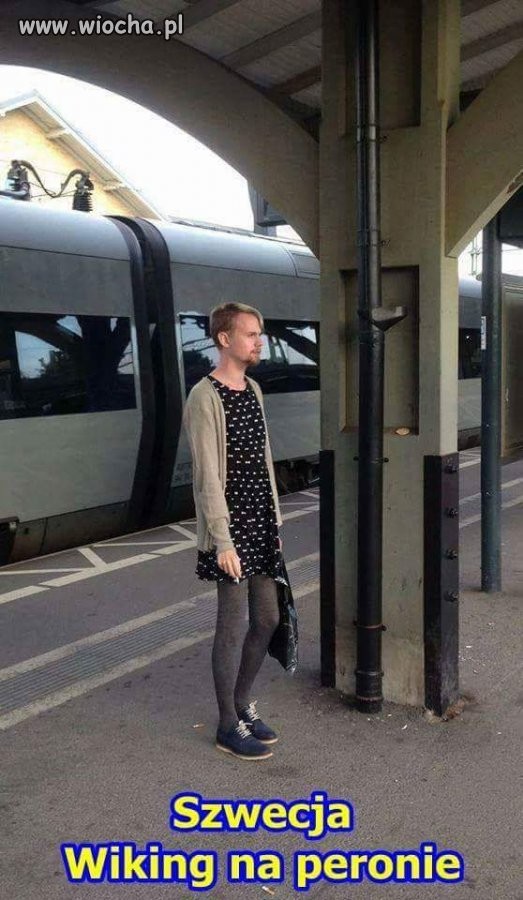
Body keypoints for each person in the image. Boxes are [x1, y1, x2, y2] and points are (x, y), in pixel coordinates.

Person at [182, 302, 284, 761]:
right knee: (232, 624)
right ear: (225, 339)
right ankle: (227, 723)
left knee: (268, 619)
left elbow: (263, 461)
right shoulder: (204, 397)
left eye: (259, 334)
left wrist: (274, 521)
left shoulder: (254, 389)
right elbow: (206, 475)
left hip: (259, 522)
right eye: (250, 334)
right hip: (230, 527)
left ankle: (242, 703)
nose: (259, 341)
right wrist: (222, 540)